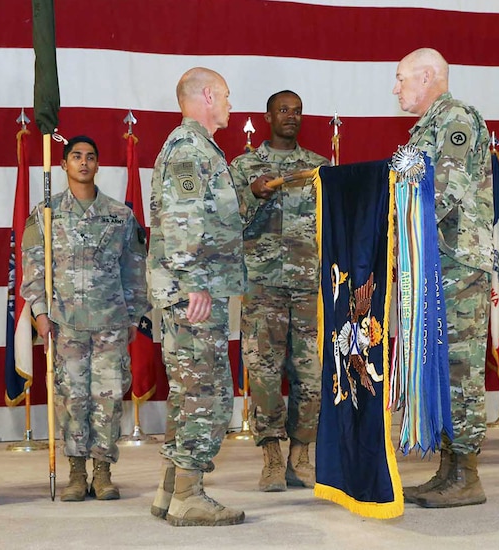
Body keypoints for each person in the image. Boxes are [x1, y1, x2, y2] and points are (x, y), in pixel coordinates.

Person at [21, 135, 148, 502]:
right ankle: (77, 472)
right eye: (76, 156)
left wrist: (132, 316)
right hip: (66, 324)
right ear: (63, 164)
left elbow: (135, 269)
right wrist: (41, 314)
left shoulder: (120, 214)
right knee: (72, 398)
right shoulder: (46, 212)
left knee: (108, 399)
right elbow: (34, 268)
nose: (83, 162)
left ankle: (103, 472)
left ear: (98, 164)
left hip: (110, 322)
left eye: (90, 157)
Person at [392, 47, 493, 508]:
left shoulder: (457, 119)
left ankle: (467, 474)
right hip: (432, 263)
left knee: (460, 369)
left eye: (401, 79)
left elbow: (443, 191)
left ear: (428, 76)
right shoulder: (423, 129)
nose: (396, 89)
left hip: (456, 263)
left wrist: (394, 226)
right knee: (438, 364)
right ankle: (448, 469)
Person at [146, 67, 246, 526]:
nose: (229, 102)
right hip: (194, 292)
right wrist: (194, 282)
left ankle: (170, 491)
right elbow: (183, 220)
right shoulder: (188, 149)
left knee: (190, 392)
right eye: (224, 94)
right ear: (207, 94)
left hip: (194, 288)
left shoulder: (198, 148)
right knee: (207, 394)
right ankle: (190, 495)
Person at [229, 90, 329, 492]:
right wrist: (251, 194)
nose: (292, 116)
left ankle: (300, 457)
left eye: (298, 111)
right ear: (268, 117)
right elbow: (224, 220)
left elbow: (336, 221)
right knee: (265, 375)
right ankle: (271, 457)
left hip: (310, 287)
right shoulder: (243, 167)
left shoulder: (320, 168)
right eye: (284, 110)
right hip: (263, 286)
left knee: (312, 376)